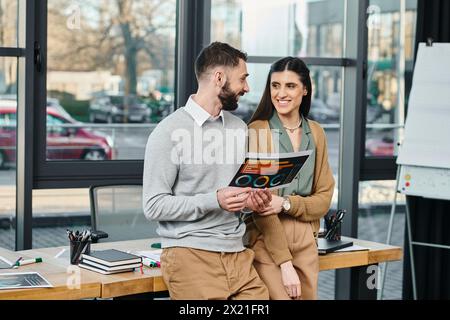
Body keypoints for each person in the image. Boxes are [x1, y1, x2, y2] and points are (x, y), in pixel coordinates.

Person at [142, 42, 271, 300]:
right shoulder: (168, 132)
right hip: (190, 255)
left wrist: (251, 201)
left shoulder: (238, 128)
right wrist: (215, 200)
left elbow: (236, 195)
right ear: (219, 78)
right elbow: (153, 206)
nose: (246, 88)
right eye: (243, 79)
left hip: (238, 256)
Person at [245, 57, 335, 300]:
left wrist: (286, 203)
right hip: (268, 241)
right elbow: (260, 205)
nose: (281, 93)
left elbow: (324, 198)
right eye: (275, 86)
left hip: (307, 240)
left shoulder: (316, 132)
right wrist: (285, 264)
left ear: (305, 89)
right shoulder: (259, 130)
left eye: (290, 86)